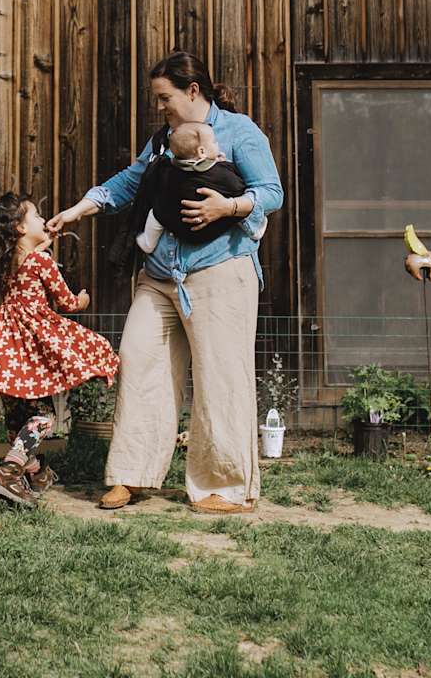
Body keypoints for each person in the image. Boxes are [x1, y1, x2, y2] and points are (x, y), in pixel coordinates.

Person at [48, 51, 282, 515]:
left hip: (220, 270)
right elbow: (129, 184)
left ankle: (224, 487)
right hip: (160, 274)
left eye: (165, 97)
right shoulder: (162, 141)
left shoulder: (239, 131)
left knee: (220, 377)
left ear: (193, 91)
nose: (160, 107)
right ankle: (131, 475)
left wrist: (228, 208)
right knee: (139, 361)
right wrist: (80, 208)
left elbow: (271, 191)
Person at [0, 192, 119, 508]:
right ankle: (9, 470)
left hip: (4, 346)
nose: (43, 220)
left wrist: (39, 246)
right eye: (36, 216)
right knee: (43, 417)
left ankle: (35, 474)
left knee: (17, 418)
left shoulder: (4, 262)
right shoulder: (41, 261)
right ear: (19, 227)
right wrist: (81, 300)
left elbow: (26, 263)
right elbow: (66, 302)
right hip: (30, 345)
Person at [146, 120, 248, 245]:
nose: (217, 144)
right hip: (209, 231)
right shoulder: (219, 174)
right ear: (202, 152)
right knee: (242, 206)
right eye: (214, 142)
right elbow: (239, 186)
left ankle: (148, 240)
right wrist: (225, 164)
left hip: (181, 226)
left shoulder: (169, 169)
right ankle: (253, 228)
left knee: (156, 211)